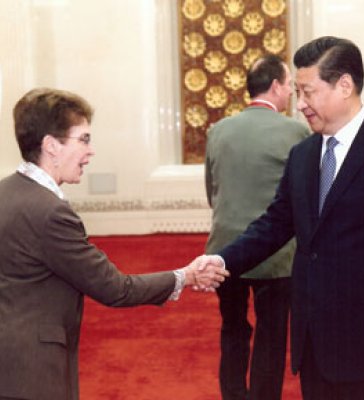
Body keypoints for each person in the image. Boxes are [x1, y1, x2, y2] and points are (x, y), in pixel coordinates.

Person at [196, 36, 364, 400]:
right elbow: (276, 223)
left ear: (345, 85)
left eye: (308, 92)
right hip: (314, 346)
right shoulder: (303, 153)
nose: (300, 104)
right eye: (299, 92)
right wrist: (222, 259)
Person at [0, 87, 229, 400]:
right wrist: (186, 276)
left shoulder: (5, 192)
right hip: (33, 373)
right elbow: (116, 289)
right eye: (83, 139)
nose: (90, 152)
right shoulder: (50, 212)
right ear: (51, 146)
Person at [205, 54, 309, 400]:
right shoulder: (295, 130)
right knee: (272, 333)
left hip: (224, 249)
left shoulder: (219, 130)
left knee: (232, 328)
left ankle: (233, 395)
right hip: (276, 255)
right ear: (276, 86)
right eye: (290, 85)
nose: (292, 93)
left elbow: (212, 190)